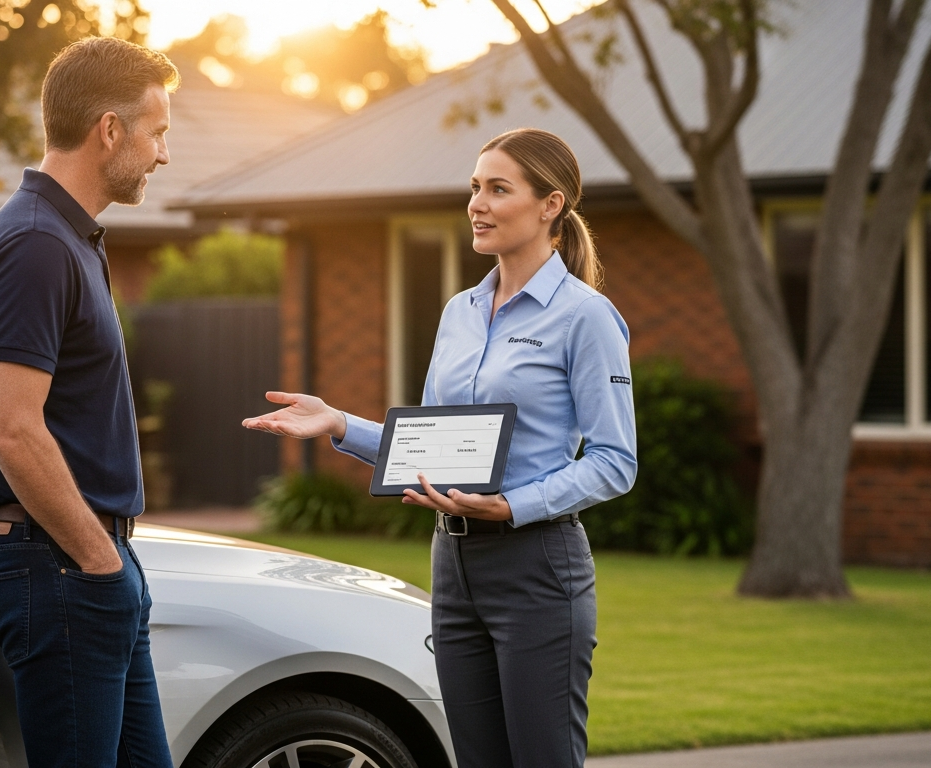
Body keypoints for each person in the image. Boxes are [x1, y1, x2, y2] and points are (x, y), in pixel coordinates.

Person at [243, 128, 636, 767]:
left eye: (498, 189)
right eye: (475, 187)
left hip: (537, 567)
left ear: (550, 205)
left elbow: (616, 462)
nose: (477, 203)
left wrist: (511, 508)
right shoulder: (460, 311)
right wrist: (337, 423)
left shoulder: (584, 317)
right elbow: (432, 445)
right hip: (453, 570)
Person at [0, 37, 177, 768]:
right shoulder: (36, 245)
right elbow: (12, 431)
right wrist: (97, 561)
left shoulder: (66, 236)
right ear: (109, 130)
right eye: (158, 133)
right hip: (58, 567)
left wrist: (107, 563)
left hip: (82, 564)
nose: (163, 155)